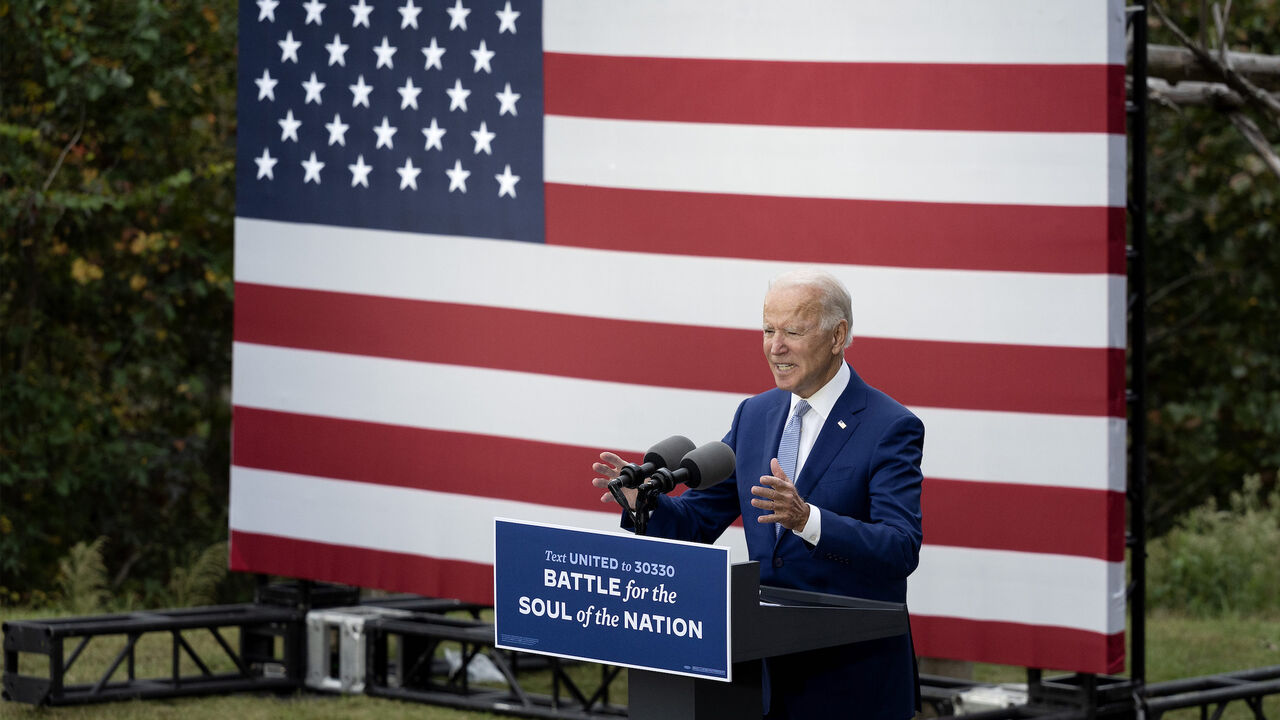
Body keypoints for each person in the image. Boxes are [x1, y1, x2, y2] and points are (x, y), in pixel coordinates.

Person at [591, 268, 924, 720]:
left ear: (837, 335)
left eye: (793, 331)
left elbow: (900, 547)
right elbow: (698, 521)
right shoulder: (755, 414)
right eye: (768, 330)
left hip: (851, 681)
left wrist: (808, 520)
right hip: (763, 676)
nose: (776, 346)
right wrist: (644, 503)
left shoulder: (889, 426)